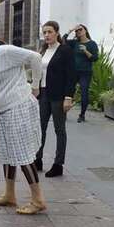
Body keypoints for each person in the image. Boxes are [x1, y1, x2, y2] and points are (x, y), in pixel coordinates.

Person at [0, 30, 46, 215]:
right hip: (6, 109)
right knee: (7, 153)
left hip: (18, 107)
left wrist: (36, 85)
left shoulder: (4, 51)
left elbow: (36, 58)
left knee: (22, 154)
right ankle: (9, 194)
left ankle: (38, 199)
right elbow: (2, 84)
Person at [35, 21, 76, 178]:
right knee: (40, 128)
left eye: (50, 32)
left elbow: (71, 75)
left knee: (59, 130)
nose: (46, 35)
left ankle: (58, 164)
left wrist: (68, 97)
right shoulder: (44, 50)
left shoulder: (65, 50)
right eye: (44, 32)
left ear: (57, 33)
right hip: (43, 94)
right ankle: (37, 159)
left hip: (59, 96)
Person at [64, 24, 99, 123]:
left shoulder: (92, 44)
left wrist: (86, 51)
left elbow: (95, 58)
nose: (78, 31)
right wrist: (70, 30)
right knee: (68, 93)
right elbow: (62, 41)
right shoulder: (75, 43)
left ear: (85, 30)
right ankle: (64, 112)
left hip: (85, 72)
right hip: (73, 72)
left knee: (84, 93)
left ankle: (82, 115)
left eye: (80, 29)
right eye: (77, 31)